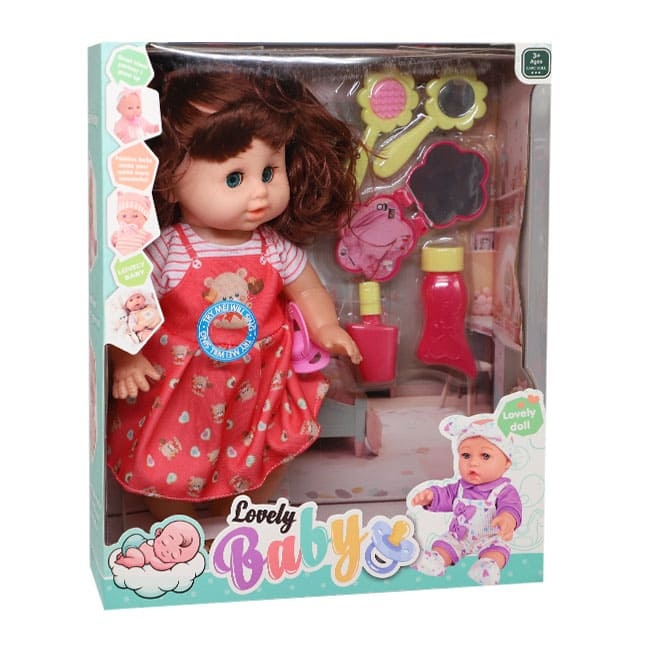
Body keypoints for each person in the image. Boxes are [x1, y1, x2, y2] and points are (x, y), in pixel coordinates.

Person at [107, 67, 362, 519]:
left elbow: (306, 288)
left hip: (256, 383)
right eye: (233, 179)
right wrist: (126, 357)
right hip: (181, 385)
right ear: (169, 179)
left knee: (258, 452)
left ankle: (240, 520)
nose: (259, 193)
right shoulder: (170, 249)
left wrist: (326, 327)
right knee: (167, 458)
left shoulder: (272, 247)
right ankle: (176, 525)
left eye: (269, 171)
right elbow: (129, 302)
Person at [411, 415, 522, 585]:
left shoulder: (504, 490)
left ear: (507, 462)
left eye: (485, 456)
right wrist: (431, 496)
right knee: (445, 543)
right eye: (466, 455)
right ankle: (436, 560)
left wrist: (508, 518)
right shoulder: (460, 487)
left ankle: (486, 567)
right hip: (459, 536)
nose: (473, 463)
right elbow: (445, 494)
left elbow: (511, 506)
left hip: (491, 537)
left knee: (499, 551)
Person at [115, 520, 201, 571]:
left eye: (173, 555)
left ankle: (125, 555)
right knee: (139, 560)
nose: (167, 551)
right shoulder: (155, 559)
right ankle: (121, 561)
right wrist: (171, 564)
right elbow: (158, 566)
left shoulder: (159, 558)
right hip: (136, 543)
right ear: (158, 533)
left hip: (137, 544)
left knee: (138, 557)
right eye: (164, 542)